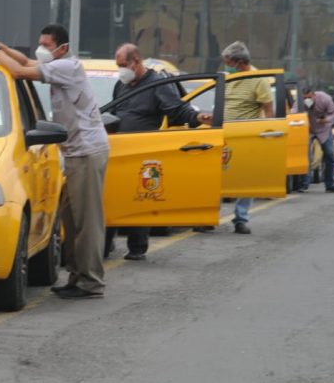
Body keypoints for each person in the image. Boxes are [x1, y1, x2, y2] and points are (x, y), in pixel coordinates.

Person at [0, 25, 109, 299]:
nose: (41, 49)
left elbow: (19, 71)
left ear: (62, 47)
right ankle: (76, 275)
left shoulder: (67, 67)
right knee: (71, 221)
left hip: (86, 152)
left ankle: (91, 281)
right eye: (40, 44)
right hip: (74, 152)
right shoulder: (58, 63)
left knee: (87, 221)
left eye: (46, 45)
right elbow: (24, 61)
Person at [107, 43, 212, 260]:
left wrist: (198, 118)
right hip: (117, 149)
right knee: (112, 197)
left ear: (137, 62)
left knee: (139, 197)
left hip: (142, 150)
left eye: (123, 65)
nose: (121, 70)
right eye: (118, 66)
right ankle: (105, 245)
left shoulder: (157, 84)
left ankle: (137, 247)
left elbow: (178, 109)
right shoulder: (121, 85)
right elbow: (112, 111)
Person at [220, 40, 274, 234]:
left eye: (228, 62)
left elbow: (268, 108)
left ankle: (240, 218)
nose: (226, 66)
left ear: (239, 62)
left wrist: (269, 133)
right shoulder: (228, 79)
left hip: (247, 135)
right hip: (224, 134)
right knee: (217, 176)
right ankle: (208, 216)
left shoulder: (258, 79)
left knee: (246, 178)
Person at [299, 85, 334, 193]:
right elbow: (294, 112)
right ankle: (304, 183)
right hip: (309, 130)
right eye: (304, 98)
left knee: (330, 156)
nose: (306, 100)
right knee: (305, 156)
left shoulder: (324, 98)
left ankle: (330, 184)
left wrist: (326, 119)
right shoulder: (300, 101)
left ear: (313, 95)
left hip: (324, 130)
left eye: (308, 98)